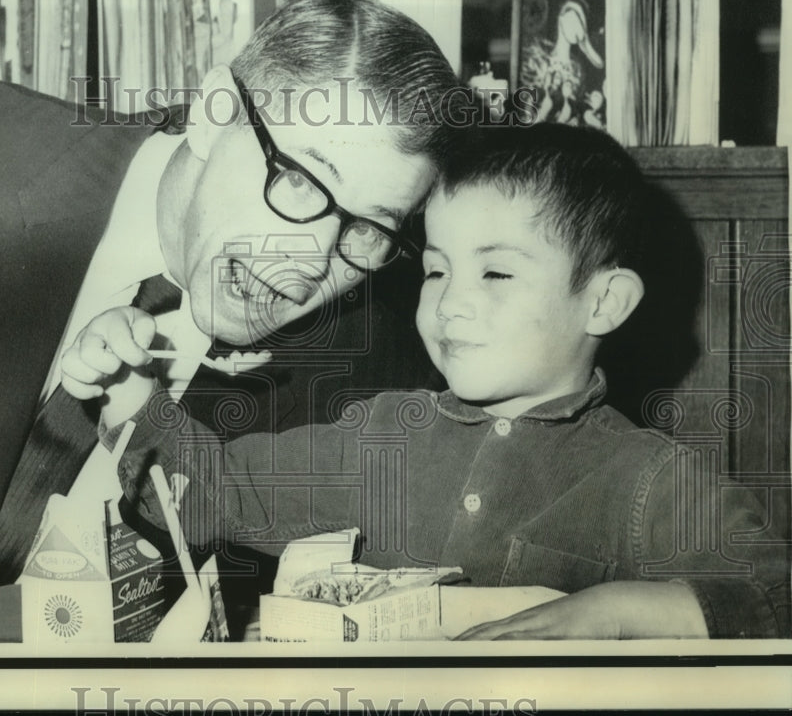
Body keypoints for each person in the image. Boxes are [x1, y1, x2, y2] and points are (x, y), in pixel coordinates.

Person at [86, 123, 789, 639]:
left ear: (603, 301)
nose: (450, 301)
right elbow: (211, 496)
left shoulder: (652, 479)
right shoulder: (382, 438)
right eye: (435, 269)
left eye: (496, 272)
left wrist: (613, 611)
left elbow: (773, 591)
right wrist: (131, 395)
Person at [0, 0, 459, 605]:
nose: (310, 264)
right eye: (298, 180)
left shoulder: (375, 383)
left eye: (365, 229)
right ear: (215, 113)